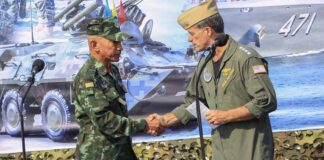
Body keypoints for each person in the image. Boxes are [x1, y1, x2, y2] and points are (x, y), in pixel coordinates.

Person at [146, 0, 277, 159]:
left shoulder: (245, 58)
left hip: (250, 151)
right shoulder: (205, 63)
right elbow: (194, 104)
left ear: (208, 31)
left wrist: (226, 116)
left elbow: (266, 101)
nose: (189, 39)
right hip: (221, 152)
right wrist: (164, 120)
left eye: (192, 33)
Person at [73, 18, 163, 160]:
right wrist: (144, 125)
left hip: (120, 150)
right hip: (98, 154)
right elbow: (105, 121)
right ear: (94, 44)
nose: (120, 47)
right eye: (114, 42)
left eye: (120, 42)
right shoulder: (88, 78)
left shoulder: (113, 70)